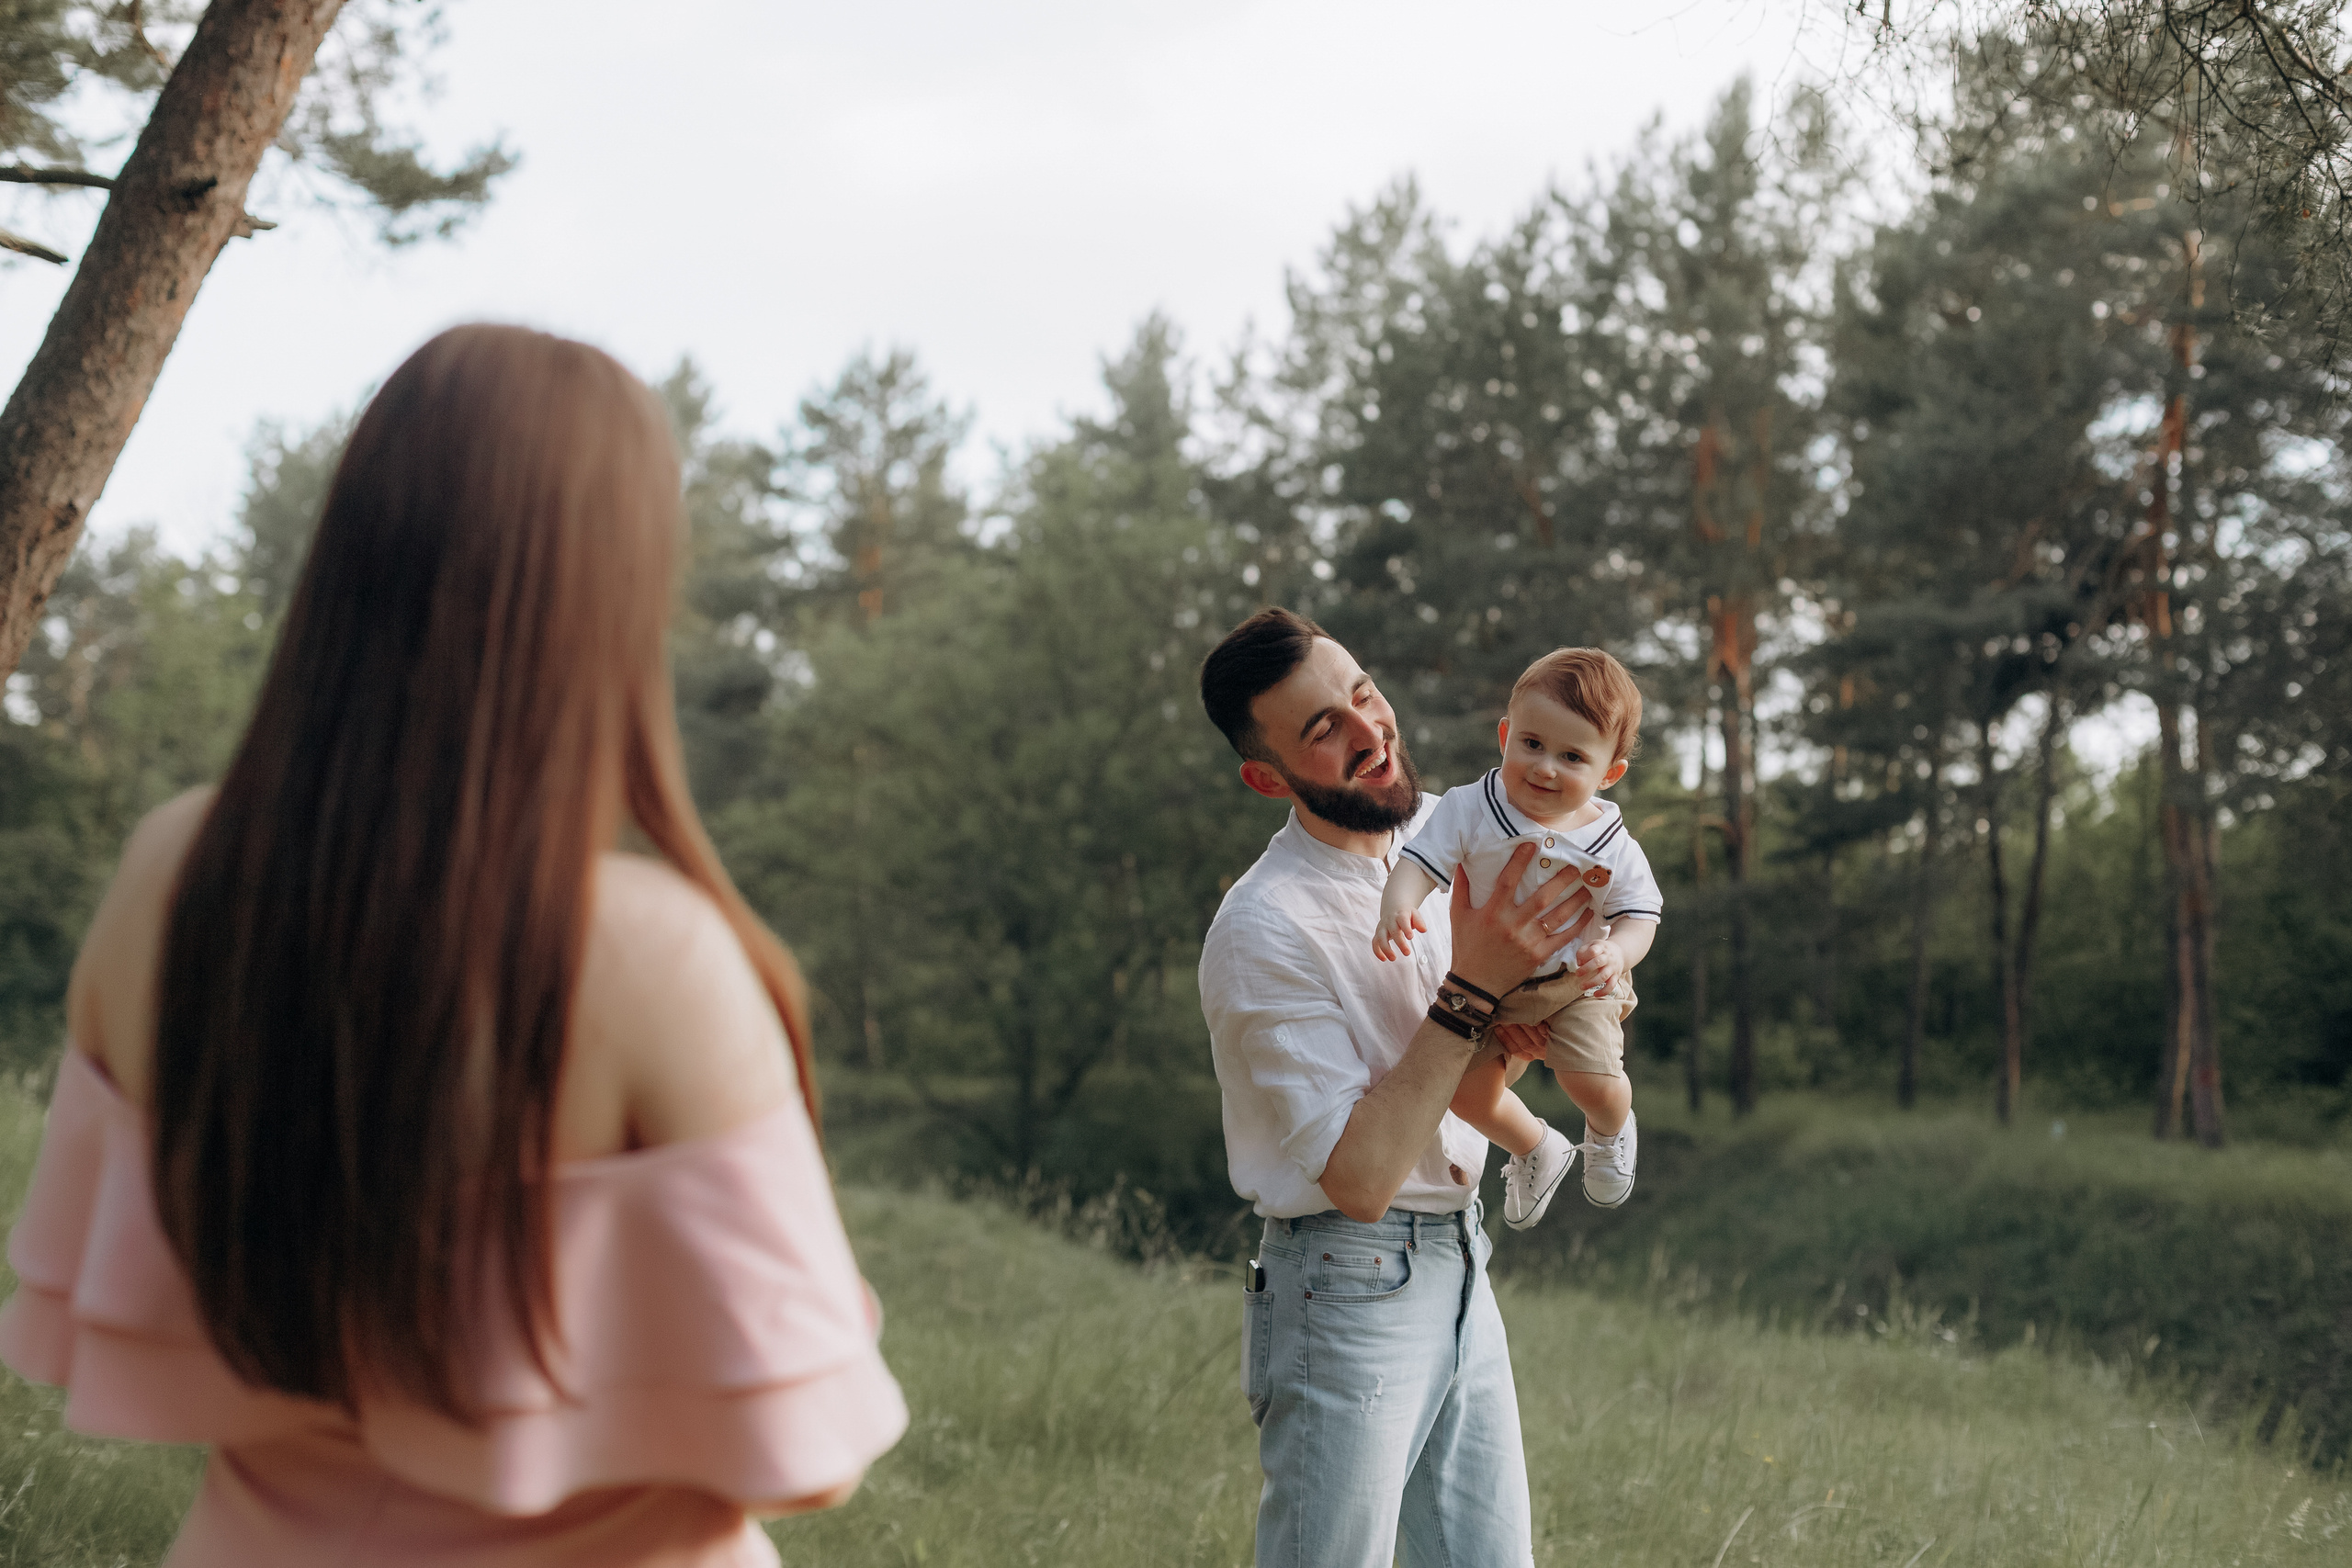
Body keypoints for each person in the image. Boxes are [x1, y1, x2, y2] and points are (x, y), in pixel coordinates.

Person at [0, 325, 906, 1567]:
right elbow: (815, 1456)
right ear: (618, 592)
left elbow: (83, 1323)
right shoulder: (649, 955)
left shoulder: (167, 871)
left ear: (350, 546)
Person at [1196, 606, 1599, 1568]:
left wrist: (1556, 998)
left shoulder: (1447, 838)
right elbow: (1361, 1178)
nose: (1369, 734)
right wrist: (1472, 987)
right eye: (1322, 731)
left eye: (1362, 695)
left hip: (1462, 1258)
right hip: (1345, 1284)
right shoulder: (1264, 928)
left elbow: (1483, 1053)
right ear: (1268, 777)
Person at [1373, 647, 1660, 1227]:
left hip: (1579, 980)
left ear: (1609, 774)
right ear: (1505, 735)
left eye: (1572, 756)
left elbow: (1641, 914)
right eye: (1531, 744)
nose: (1545, 767)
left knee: (1590, 1081)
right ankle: (1536, 1146)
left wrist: (1617, 952)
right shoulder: (1470, 809)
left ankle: (1609, 1130)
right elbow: (1420, 863)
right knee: (1463, 1091)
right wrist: (1396, 905)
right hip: (1491, 983)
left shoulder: (1610, 843)